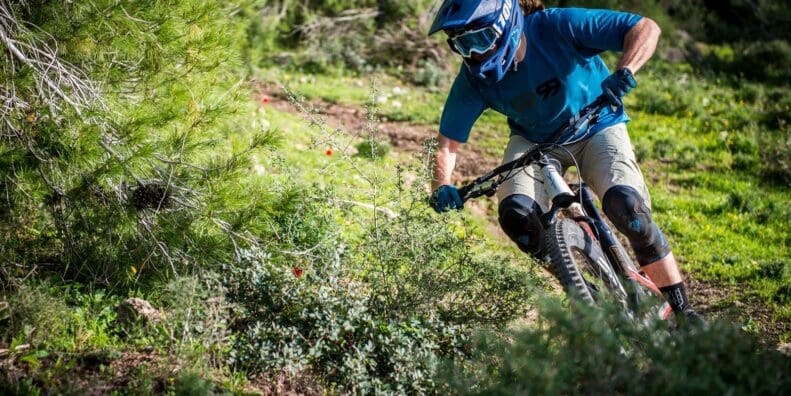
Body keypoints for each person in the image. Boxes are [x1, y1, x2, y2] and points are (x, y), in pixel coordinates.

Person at [427, 0, 700, 320]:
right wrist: (441, 185)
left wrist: (625, 70)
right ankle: (583, 288)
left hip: (597, 123)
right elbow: (448, 142)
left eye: (479, 39)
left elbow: (644, 28)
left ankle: (683, 311)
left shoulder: (558, 25)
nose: (473, 54)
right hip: (534, 142)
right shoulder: (475, 79)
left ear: (504, 24)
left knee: (629, 210)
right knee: (517, 217)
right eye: (461, 44)